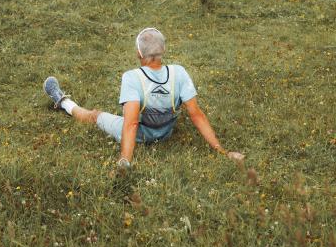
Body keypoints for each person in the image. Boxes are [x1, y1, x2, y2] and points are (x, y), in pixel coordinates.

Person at [43, 27, 244, 169]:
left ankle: (63, 102)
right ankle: (63, 101)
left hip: (141, 134)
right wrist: (223, 152)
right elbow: (197, 115)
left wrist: (125, 161)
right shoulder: (179, 72)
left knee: (95, 116)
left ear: (139, 53)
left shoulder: (132, 77)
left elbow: (130, 124)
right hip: (165, 133)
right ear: (163, 50)